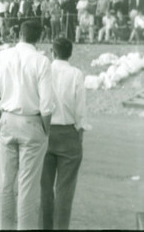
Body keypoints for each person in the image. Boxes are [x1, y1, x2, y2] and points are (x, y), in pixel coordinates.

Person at [0, 21, 55, 230]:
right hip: (32, 121)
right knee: (28, 186)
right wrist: (46, 130)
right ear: (39, 38)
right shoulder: (41, 61)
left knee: (5, 183)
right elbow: (47, 104)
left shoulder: (2, 56)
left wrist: (2, 118)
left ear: (19, 34)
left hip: (8, 118)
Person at [41, 37, 87, 229]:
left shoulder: (45, 70)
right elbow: (80, 109)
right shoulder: (76, 74)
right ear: (70, 53)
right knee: (65, 190)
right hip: (68, 131)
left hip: (45, 129)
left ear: (53, 51)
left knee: (44, 188)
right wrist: (79, 133)